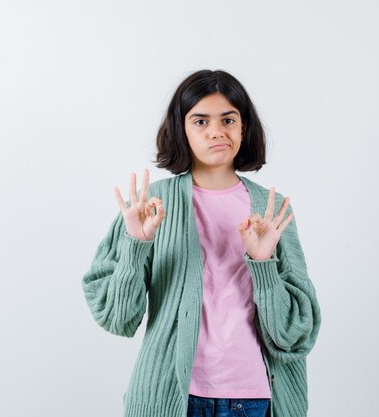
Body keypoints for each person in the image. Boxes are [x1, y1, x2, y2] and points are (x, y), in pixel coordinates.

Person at [81, 69, 321, 417]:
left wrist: (264, 264)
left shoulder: (271, 210)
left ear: (244, 127)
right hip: (171, 398)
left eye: (227, 119)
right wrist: (136, 244)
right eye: (200, 121)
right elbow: (118, 318)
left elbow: (296, 334)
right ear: (182, 129)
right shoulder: (150, 205)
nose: (216, 132)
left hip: (256, 399)